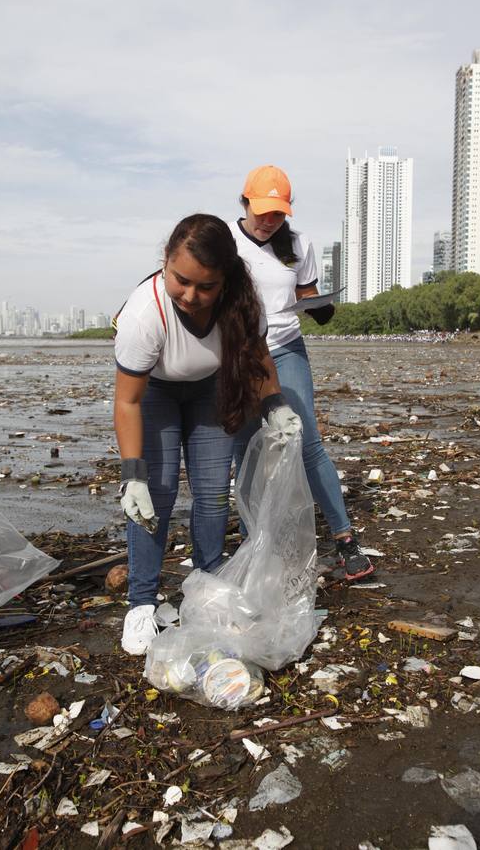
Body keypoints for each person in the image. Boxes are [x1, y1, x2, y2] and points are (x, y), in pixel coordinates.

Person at [114, 213, 301, 655]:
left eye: (206, 287)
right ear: (165, 262)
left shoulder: (241, 301)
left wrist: (275, 405)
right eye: (181, 281)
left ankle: (209, 582)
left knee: (213, 492)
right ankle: (141, 602)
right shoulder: (146, 314)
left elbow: (257, 359)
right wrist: (131, 473)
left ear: (225, 280)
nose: (191, 296)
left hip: (209, 392)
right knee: (153, 497)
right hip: (155, 392)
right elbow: (127, 402)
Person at [229, 165, 374, 582]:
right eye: (262, 212)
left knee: (307, 440)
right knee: (246, 450)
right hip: (239, 355)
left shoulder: (297, 244)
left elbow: (306, 295)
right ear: (245, 203)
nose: (269, 221)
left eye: (278, 214)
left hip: (286, 347)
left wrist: (320, 308)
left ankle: (345, 538)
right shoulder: (225, 239)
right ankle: (252, 541)